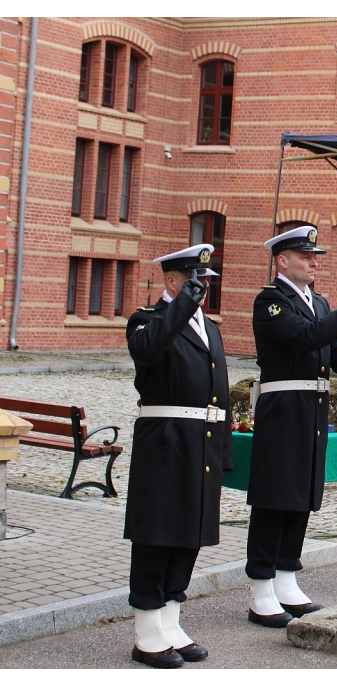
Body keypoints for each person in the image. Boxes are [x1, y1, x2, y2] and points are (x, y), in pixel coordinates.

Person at [246, 225, 337, 628]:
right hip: (284, 408)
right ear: (282, 261)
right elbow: (306, 337)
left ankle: (286, 578)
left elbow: (335, 352)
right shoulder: (271, 302)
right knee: (274, 498)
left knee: (301, 495)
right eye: (306, 257)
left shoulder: (318, 302)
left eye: (315, 256)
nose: (314, 262)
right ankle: (261, 588)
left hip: (312, 410)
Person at [125, 243, 230, 668]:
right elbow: (148, 350)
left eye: (205, 282)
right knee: (157, 533)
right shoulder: (146, 320)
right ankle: (147, 628)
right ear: (171, 281)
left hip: (201, 441)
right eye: (193, 281)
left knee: (190, 532)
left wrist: (221, 449)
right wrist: (182, 306)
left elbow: (216, 392)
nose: (201, 288)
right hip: (165, 442)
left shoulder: (211, 327)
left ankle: (171, 618)